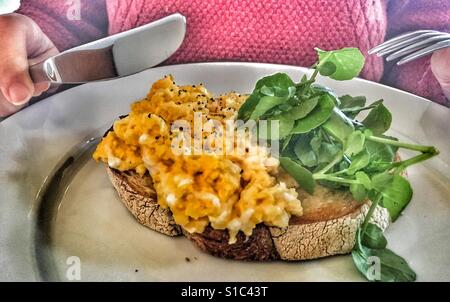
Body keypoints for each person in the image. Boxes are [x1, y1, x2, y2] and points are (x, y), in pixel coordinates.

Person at [0, 0, 449, 117]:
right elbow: (65, 24)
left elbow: (418, 42)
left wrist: (439, 72)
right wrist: (31, 59)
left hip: (333, 144)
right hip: (132, 131)